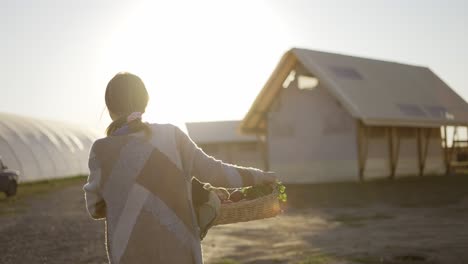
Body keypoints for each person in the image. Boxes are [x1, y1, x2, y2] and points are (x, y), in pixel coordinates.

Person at [83, 72, 277, 264]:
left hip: (129, 254)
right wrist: (260, 177)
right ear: (145, 103)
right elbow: (214, 172)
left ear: (109, 108)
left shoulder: (100, 150)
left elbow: (95, 207)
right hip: (180, 253)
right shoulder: (171, 136)